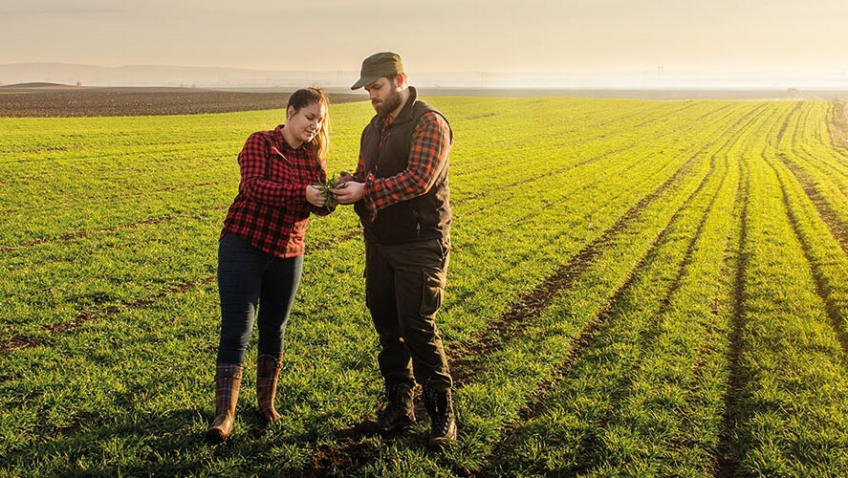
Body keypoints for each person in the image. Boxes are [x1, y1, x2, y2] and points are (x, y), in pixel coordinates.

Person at [331, 52, 456, 449]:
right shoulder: (372, 128)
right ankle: (399, 407)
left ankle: (442, 416)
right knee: (387, 326)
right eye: (368, 89)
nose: (371, 95)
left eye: (377, 87)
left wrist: (366, 190)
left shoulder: (429, 123)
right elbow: (370, 174)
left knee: (418, 327)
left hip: (420, 243)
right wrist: (350, 182)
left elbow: (419, 179)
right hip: (380, 242)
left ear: (399, 80)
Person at [206, 87, 333, 443]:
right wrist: (302, 193)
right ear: (291, 111)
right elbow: (254, 187)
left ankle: (265, 404)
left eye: (319, 120)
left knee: (274, 329)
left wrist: (330, 196)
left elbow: (317, 207)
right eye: (309, 117)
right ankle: (224, 415)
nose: (314, 126)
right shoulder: (260, 143)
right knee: (237, 330)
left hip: (289, 252)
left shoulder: (313, 159)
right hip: (243, 244)